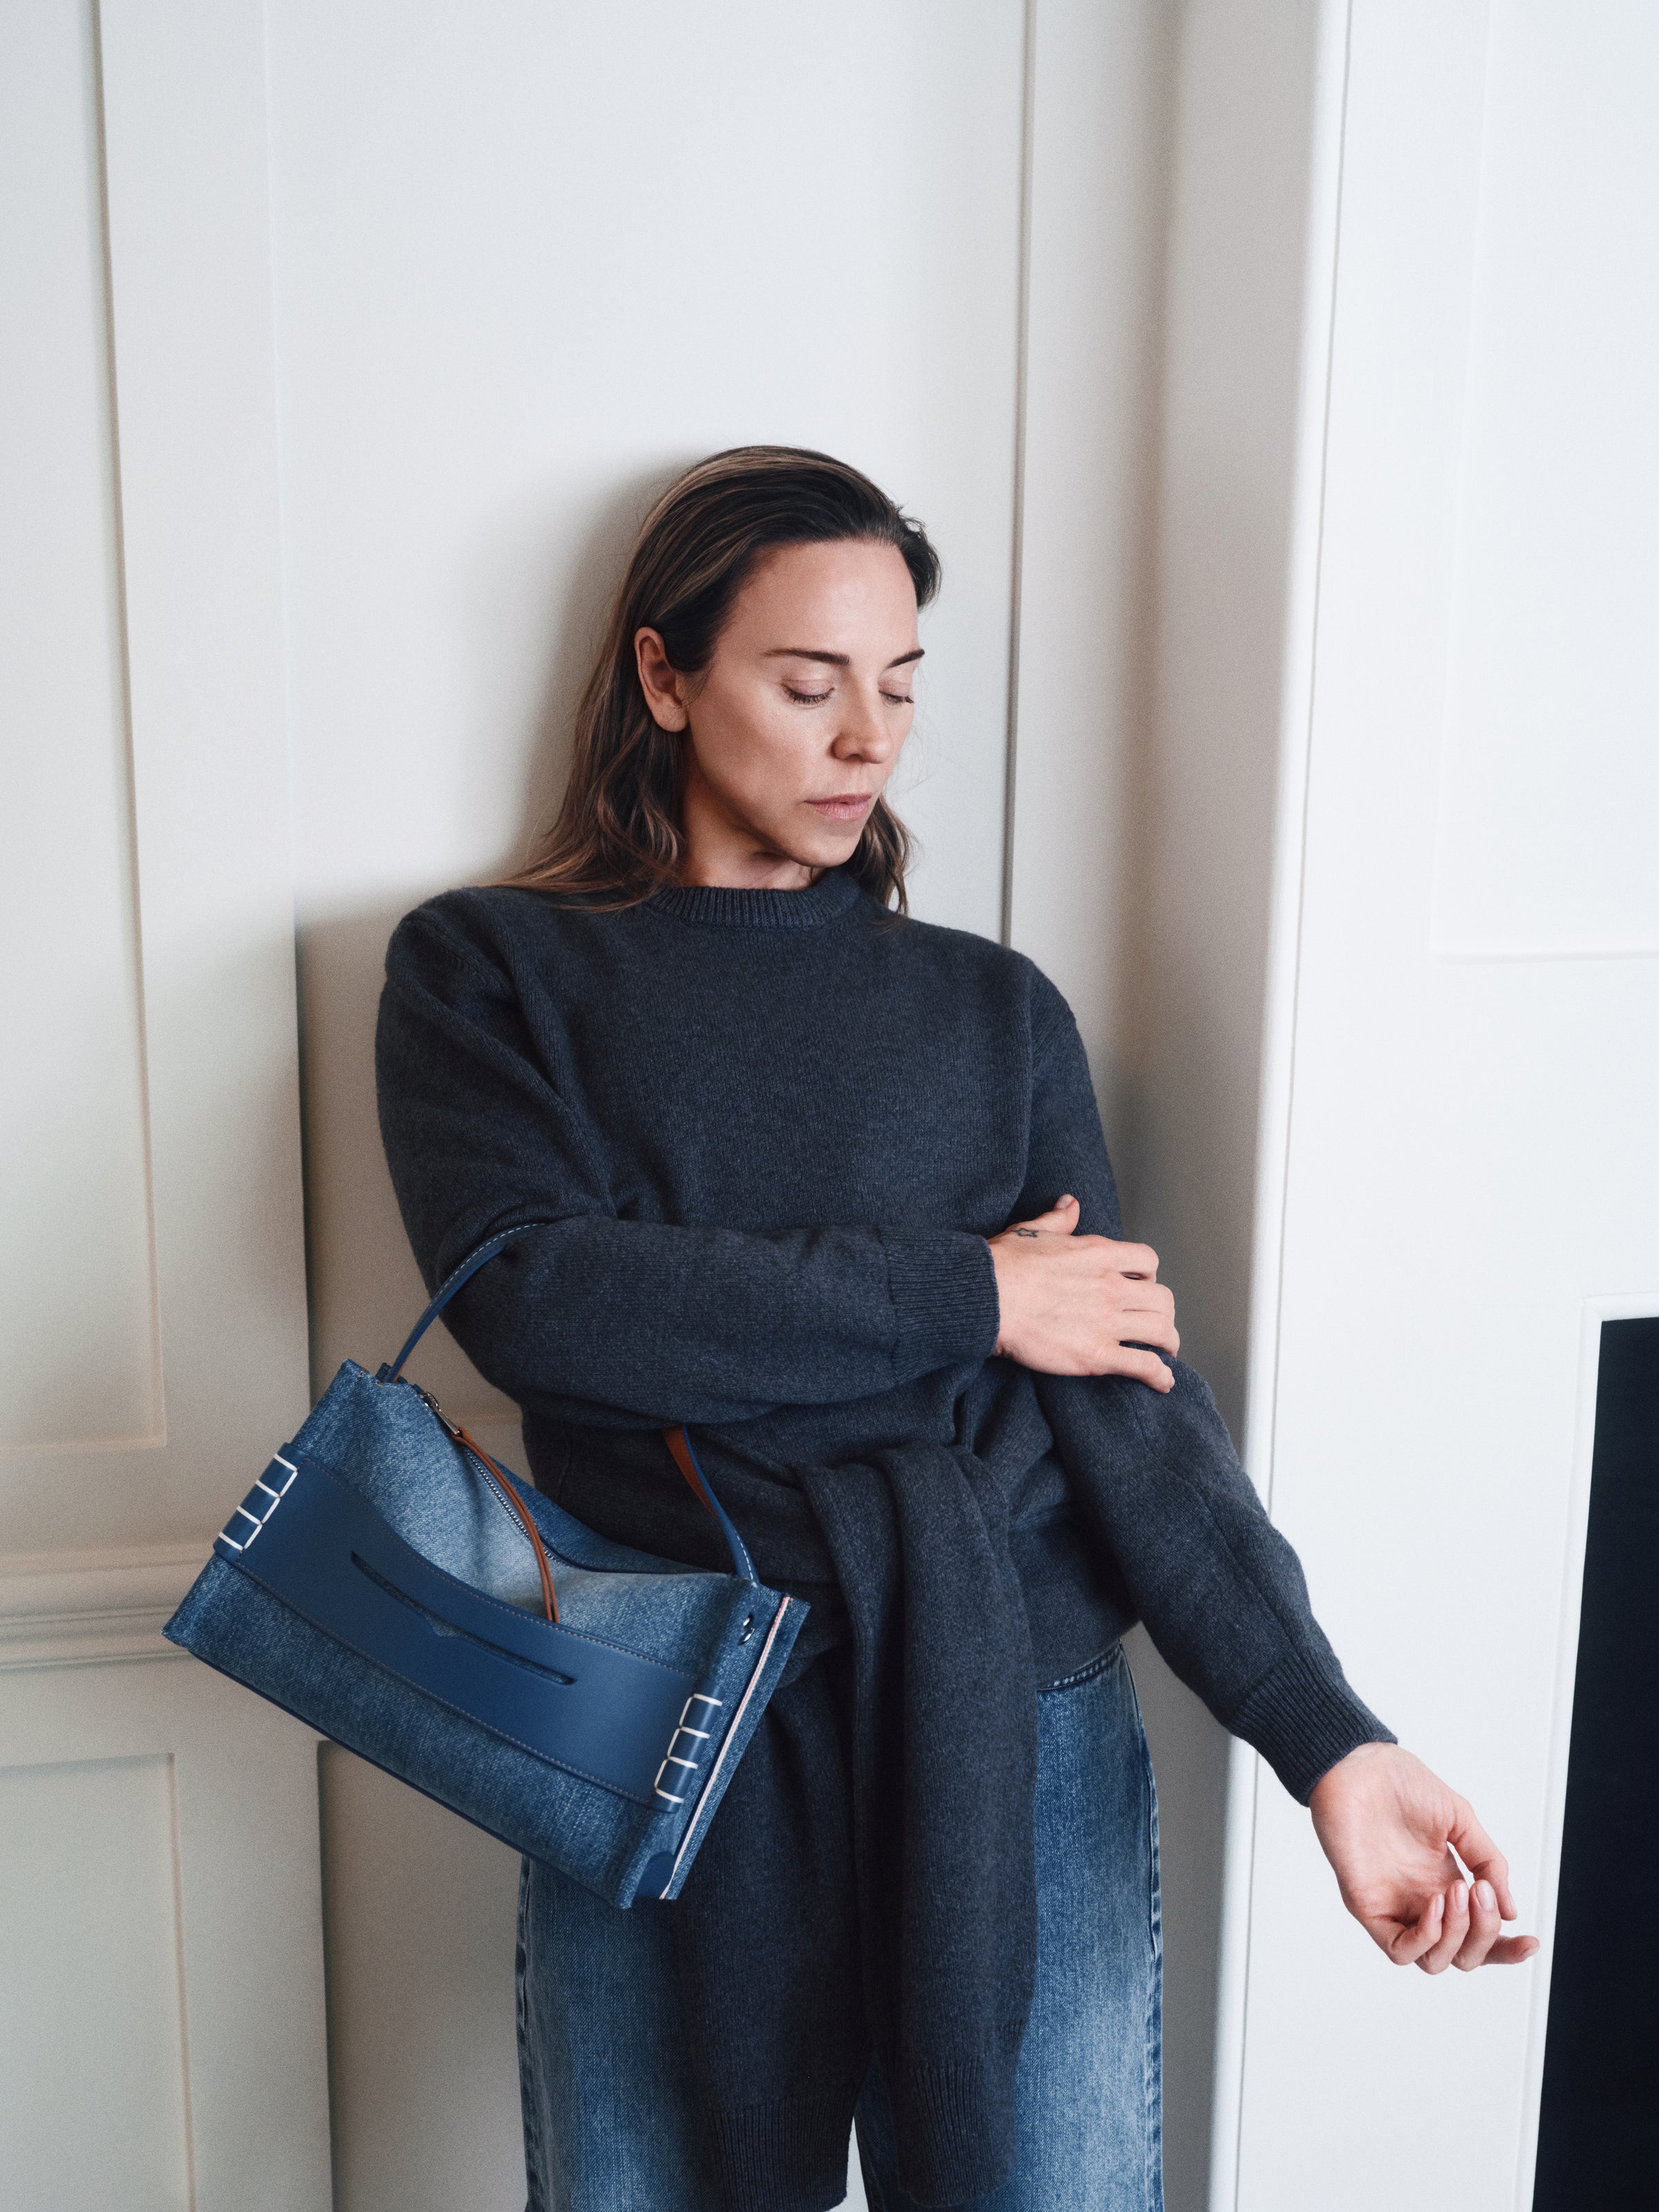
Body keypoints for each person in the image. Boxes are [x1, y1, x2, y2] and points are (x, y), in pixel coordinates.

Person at [375, 447, 1536, 2212]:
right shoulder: (491, 971)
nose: (868, 740)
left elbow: (1133, 1409)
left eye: (901, 686)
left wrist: (1334, 1743)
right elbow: (547, 1302)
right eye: (807, 681)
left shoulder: (994, 1015)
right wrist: (974, 1293)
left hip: (1018, 1702)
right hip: (661, 1704)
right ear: (664, 675)